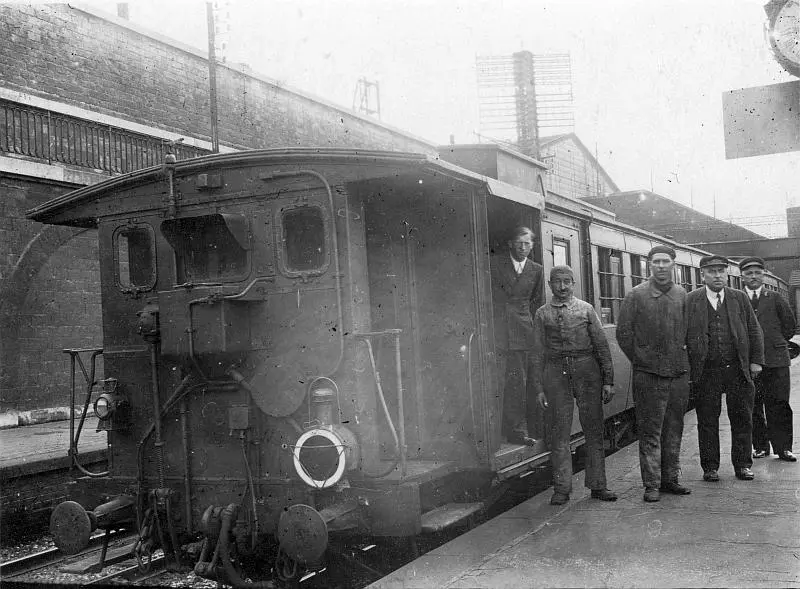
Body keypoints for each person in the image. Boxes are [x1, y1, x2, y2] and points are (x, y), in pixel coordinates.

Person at [529, 265, 617, 505]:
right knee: (559, 434)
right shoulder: (542, 314)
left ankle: (598, 486)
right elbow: (536, 353)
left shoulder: (586, 310)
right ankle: (561, 489)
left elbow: (601, 346)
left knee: (594, 430)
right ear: (550, 285)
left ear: (573, 284)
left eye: (567, 281)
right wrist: (538, 388)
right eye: (557, 282)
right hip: (555, 374)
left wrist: (608, 380)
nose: (563, 286)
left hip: (587, 371)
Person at [617, 245, 691, 502]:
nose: (661, 266)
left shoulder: (682, 294)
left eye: (665, 261)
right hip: (648, 376)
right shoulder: (636, 295)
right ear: (649, 265)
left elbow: (689, 333)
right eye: (656, 261)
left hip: (678, 375)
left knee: (674, 428)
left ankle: (671, 479)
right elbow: (623, 334)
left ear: (673, 264)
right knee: (650, 431)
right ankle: (651, 484)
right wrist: (643, 359)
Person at [687, 255, 764, 482]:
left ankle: (742, 465)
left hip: (737, 369)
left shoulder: (739, 298)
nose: (717, 275)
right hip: (707, 371)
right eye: (711, 271)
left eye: (721, 271)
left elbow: (754, 330)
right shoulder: (692, 300)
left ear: (727, 274)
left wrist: (756, 361)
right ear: (703, 275)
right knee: (707, 420)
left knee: (742, 417)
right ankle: (710, 467)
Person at [740, 256, 797, 462]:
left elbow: (789, 325)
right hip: (749, 362)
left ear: (763, 275)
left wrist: (776, 342)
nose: (753, 277)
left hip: (777, 360)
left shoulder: (775, 298)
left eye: (757, 272)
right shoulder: (738, 299)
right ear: (742, 276)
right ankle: (761, 447)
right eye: (749, 273)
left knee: (780, 403)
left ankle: (784, 448)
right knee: (753, 405)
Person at [491, 226, 544, 446]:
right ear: (510, 244)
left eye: (527, 244)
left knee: (518, 383)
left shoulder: (536, 269)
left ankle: (516, 430)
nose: (523, 248)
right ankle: (494, 432)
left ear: (532, 246)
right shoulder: (495, 264)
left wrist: (526, 323)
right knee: (496, 381)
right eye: (519, 243)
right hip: (497, 330)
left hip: (522, 332)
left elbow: (536, 302)